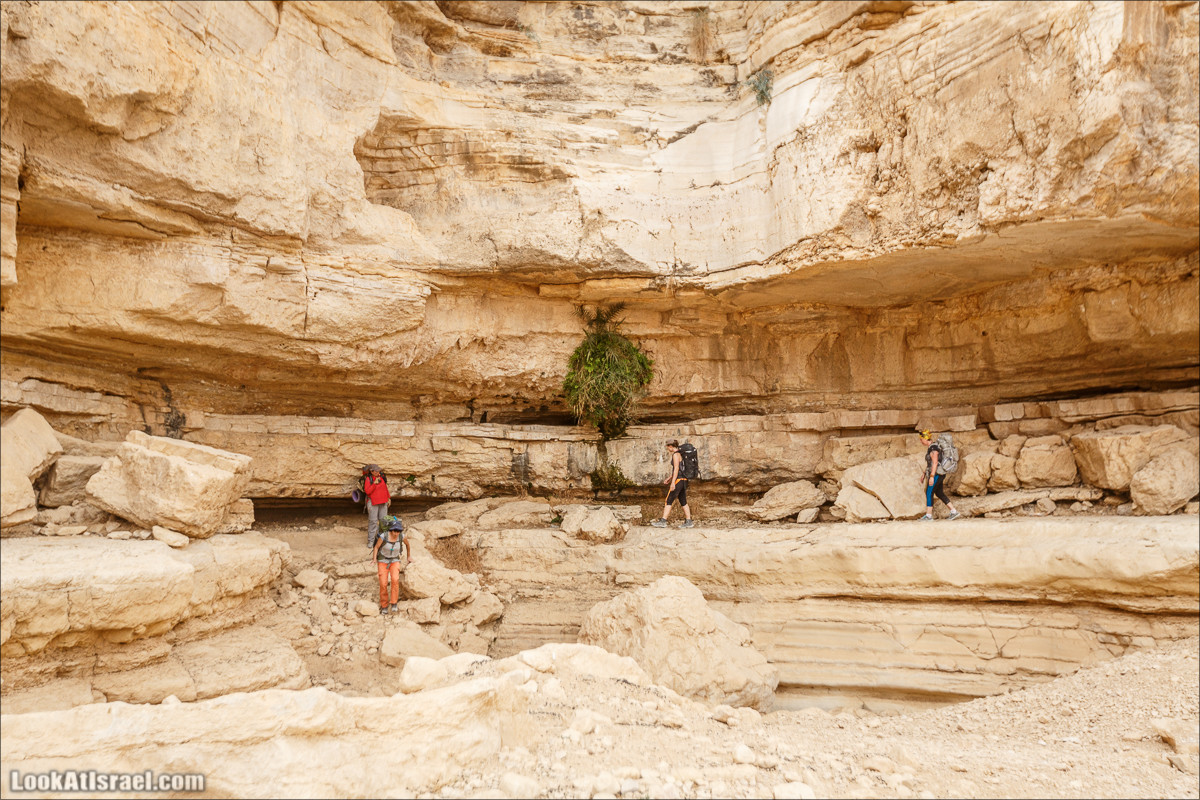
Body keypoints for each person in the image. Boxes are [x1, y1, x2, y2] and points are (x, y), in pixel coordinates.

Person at [371, 516, 411, 614]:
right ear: (391, 530)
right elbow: (376, 547)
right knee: (383, 583)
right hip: (383, 560)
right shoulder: (383, 536)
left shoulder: (402, 536)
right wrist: (374, 559)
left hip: (395, 560)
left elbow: (408, 545)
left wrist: (409, 556)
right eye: (395, 531)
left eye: (398, 531)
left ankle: (394, 603)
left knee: (395, 579)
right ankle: (384, 605)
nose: (396, 533)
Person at [917, 429, 960, 521]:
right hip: (938, 473)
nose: (921, 441)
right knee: (939, 493)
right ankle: (954, 511)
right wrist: (924, 474)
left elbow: (935, 463)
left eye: (921, 439)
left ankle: (928, 516)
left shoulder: (933, 448)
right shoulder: (933, 447)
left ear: (925, 438)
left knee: (929, 492)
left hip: (937, 474)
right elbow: (930, 463)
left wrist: (932, 476)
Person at [651, 440, 694, 528]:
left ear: (671, 446)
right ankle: (689, 521)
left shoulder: (675, 455)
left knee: (669, 499)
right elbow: (680, 468)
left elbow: (676, 468)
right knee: (683, 500)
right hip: (683, 480)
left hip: (678, 480)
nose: (667, 449)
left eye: (668, 447)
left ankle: (663, 521)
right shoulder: (680, 454)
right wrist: (669, 478)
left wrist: (673, 482)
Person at [362, 464, 390, 547]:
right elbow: (368, 491)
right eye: (376, 471)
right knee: (373, 522)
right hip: (373, 503)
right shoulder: (368, 479)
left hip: (383, 502)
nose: (378, 472)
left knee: (383, 521)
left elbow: (385, 488)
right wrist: (374, 483)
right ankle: (371, 541)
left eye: (379, 470)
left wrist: (389, 498)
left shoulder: (381, 477)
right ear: (372, 471)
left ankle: (381, 540)